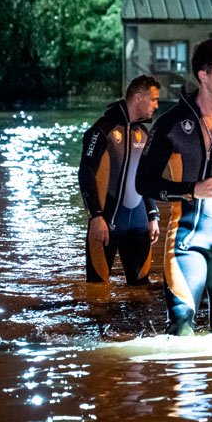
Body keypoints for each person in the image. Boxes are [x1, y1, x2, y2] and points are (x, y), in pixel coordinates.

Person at [135, 39, 212, 335]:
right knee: (181, 331)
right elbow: (143, 182)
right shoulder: (171, 123)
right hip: (188, 239)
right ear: (203, 75)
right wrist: (191, 190)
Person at [78, 75, 162, 285]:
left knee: (141, 294)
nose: (157, 105)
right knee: (97, 295)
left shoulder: (144, 131)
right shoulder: (102, 130)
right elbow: (85, 173)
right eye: (153, 99)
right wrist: (96, 216)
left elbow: (147, 176)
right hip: (106, 221)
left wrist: (153, 215)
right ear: (138, 98)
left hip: (140, 223)